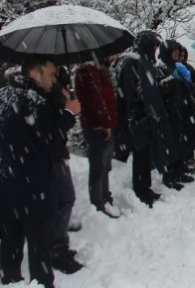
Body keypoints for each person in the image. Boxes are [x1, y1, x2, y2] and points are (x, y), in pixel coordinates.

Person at [0, 55, 79, 288]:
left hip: (6, 187)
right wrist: (68, 114)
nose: (54, 80)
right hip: (33, 189)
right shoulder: (34, 100)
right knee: (39, 249)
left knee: (10, 248)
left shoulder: (3, 96)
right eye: (52, 74)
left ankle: (11, 282)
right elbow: (49, 139)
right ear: (35, 73)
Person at [114, 30, 178, 206]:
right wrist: (135, 116)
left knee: (146, 154)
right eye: (154, 46)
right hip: (138, 118)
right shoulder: (132, 62)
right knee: (140, 155)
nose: (156, 49)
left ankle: (145, 188)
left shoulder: (145, 62)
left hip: (147, 116)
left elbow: (151, 90)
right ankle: (141, 190)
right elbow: (130, 93)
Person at [47, 66, 85, 274]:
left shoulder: (55, 83)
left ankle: (60, 245)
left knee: (65, 199)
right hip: (52, 155)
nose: (54, 76)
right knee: (64, 199)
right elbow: (53, 123)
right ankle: (56, 249)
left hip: (58, 152)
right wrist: (66, 107)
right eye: (51, 73)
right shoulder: (41, 91)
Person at [74, 54, 121, 218]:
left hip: (103, 124)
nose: (115, 56)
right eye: (112, 53)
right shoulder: (88, 69)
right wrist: (105, 122)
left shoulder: (98, 69)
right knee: (98, 166)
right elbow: (95, 99)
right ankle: (98, 203)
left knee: (104, 165)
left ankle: (105, 197)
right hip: (97, 126)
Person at [154, 39, 195, 187]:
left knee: (181, 143)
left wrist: (189, 83)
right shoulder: (160, 68)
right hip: (170, 114)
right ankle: (170, 176)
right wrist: (173, 78)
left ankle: (179, 170)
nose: (177, 53)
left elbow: (189, 89)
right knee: (171, 145)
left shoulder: (178, 66)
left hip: (182, 112)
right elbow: (158, 90)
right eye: (174, 51)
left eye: (178, 51)